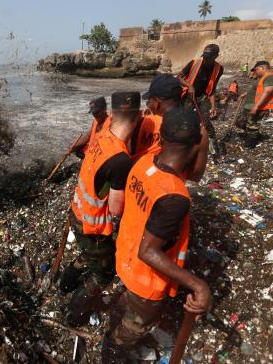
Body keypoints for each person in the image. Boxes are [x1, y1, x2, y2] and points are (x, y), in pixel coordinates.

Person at [101, 108, 213, 361]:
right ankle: (112, 352)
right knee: (130, 332)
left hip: (125, 261)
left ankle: (112, 335)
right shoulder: (175, 197)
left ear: (161, 138)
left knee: (122, 309)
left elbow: (192, 172)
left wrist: (200, 145)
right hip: (146, 281)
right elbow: (149, 251)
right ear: (195, 141)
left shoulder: (142, 164)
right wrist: (198, 284)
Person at [60, 91, 141, 327]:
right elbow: (116, 209)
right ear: (137, 119)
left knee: (89, 256)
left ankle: (65, 283)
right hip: (92, 225)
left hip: (77, 211)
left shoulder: (101, 138)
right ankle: (73, 314)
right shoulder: (121, 160)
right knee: (103, 274)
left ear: (112, 115)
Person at [131, 74, 209, 182]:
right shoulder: (199, 131)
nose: (148, 105)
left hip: (136, 185)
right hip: (170, 189)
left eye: (149, 101)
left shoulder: (142, 121)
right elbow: (195, 175)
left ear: (157, 102)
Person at [178, 43, 224, 157]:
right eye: (205, 56)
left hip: (203, 96)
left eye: (209, 58)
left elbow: (212, 89)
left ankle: (213, 147)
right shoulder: (194, 63)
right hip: (189, 95)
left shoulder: (219, 68)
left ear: (216, 56)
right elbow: (178, 77)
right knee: (184, 119)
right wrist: (189, 86)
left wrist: (214, 107)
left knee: (206, 121)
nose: (206, 60)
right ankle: (183, 144)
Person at [236, 61, 273, 148]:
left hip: (258, 107)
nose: (255, 72)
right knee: (240, 122)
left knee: (252, 126)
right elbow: (255, 89)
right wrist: (245, 94)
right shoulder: (262, 78)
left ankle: (250, 145)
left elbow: (267, 92)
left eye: (256, 70)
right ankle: (255, 137)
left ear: (262, 68)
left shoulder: (271, 77)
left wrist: (256, 106)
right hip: (249, 106)